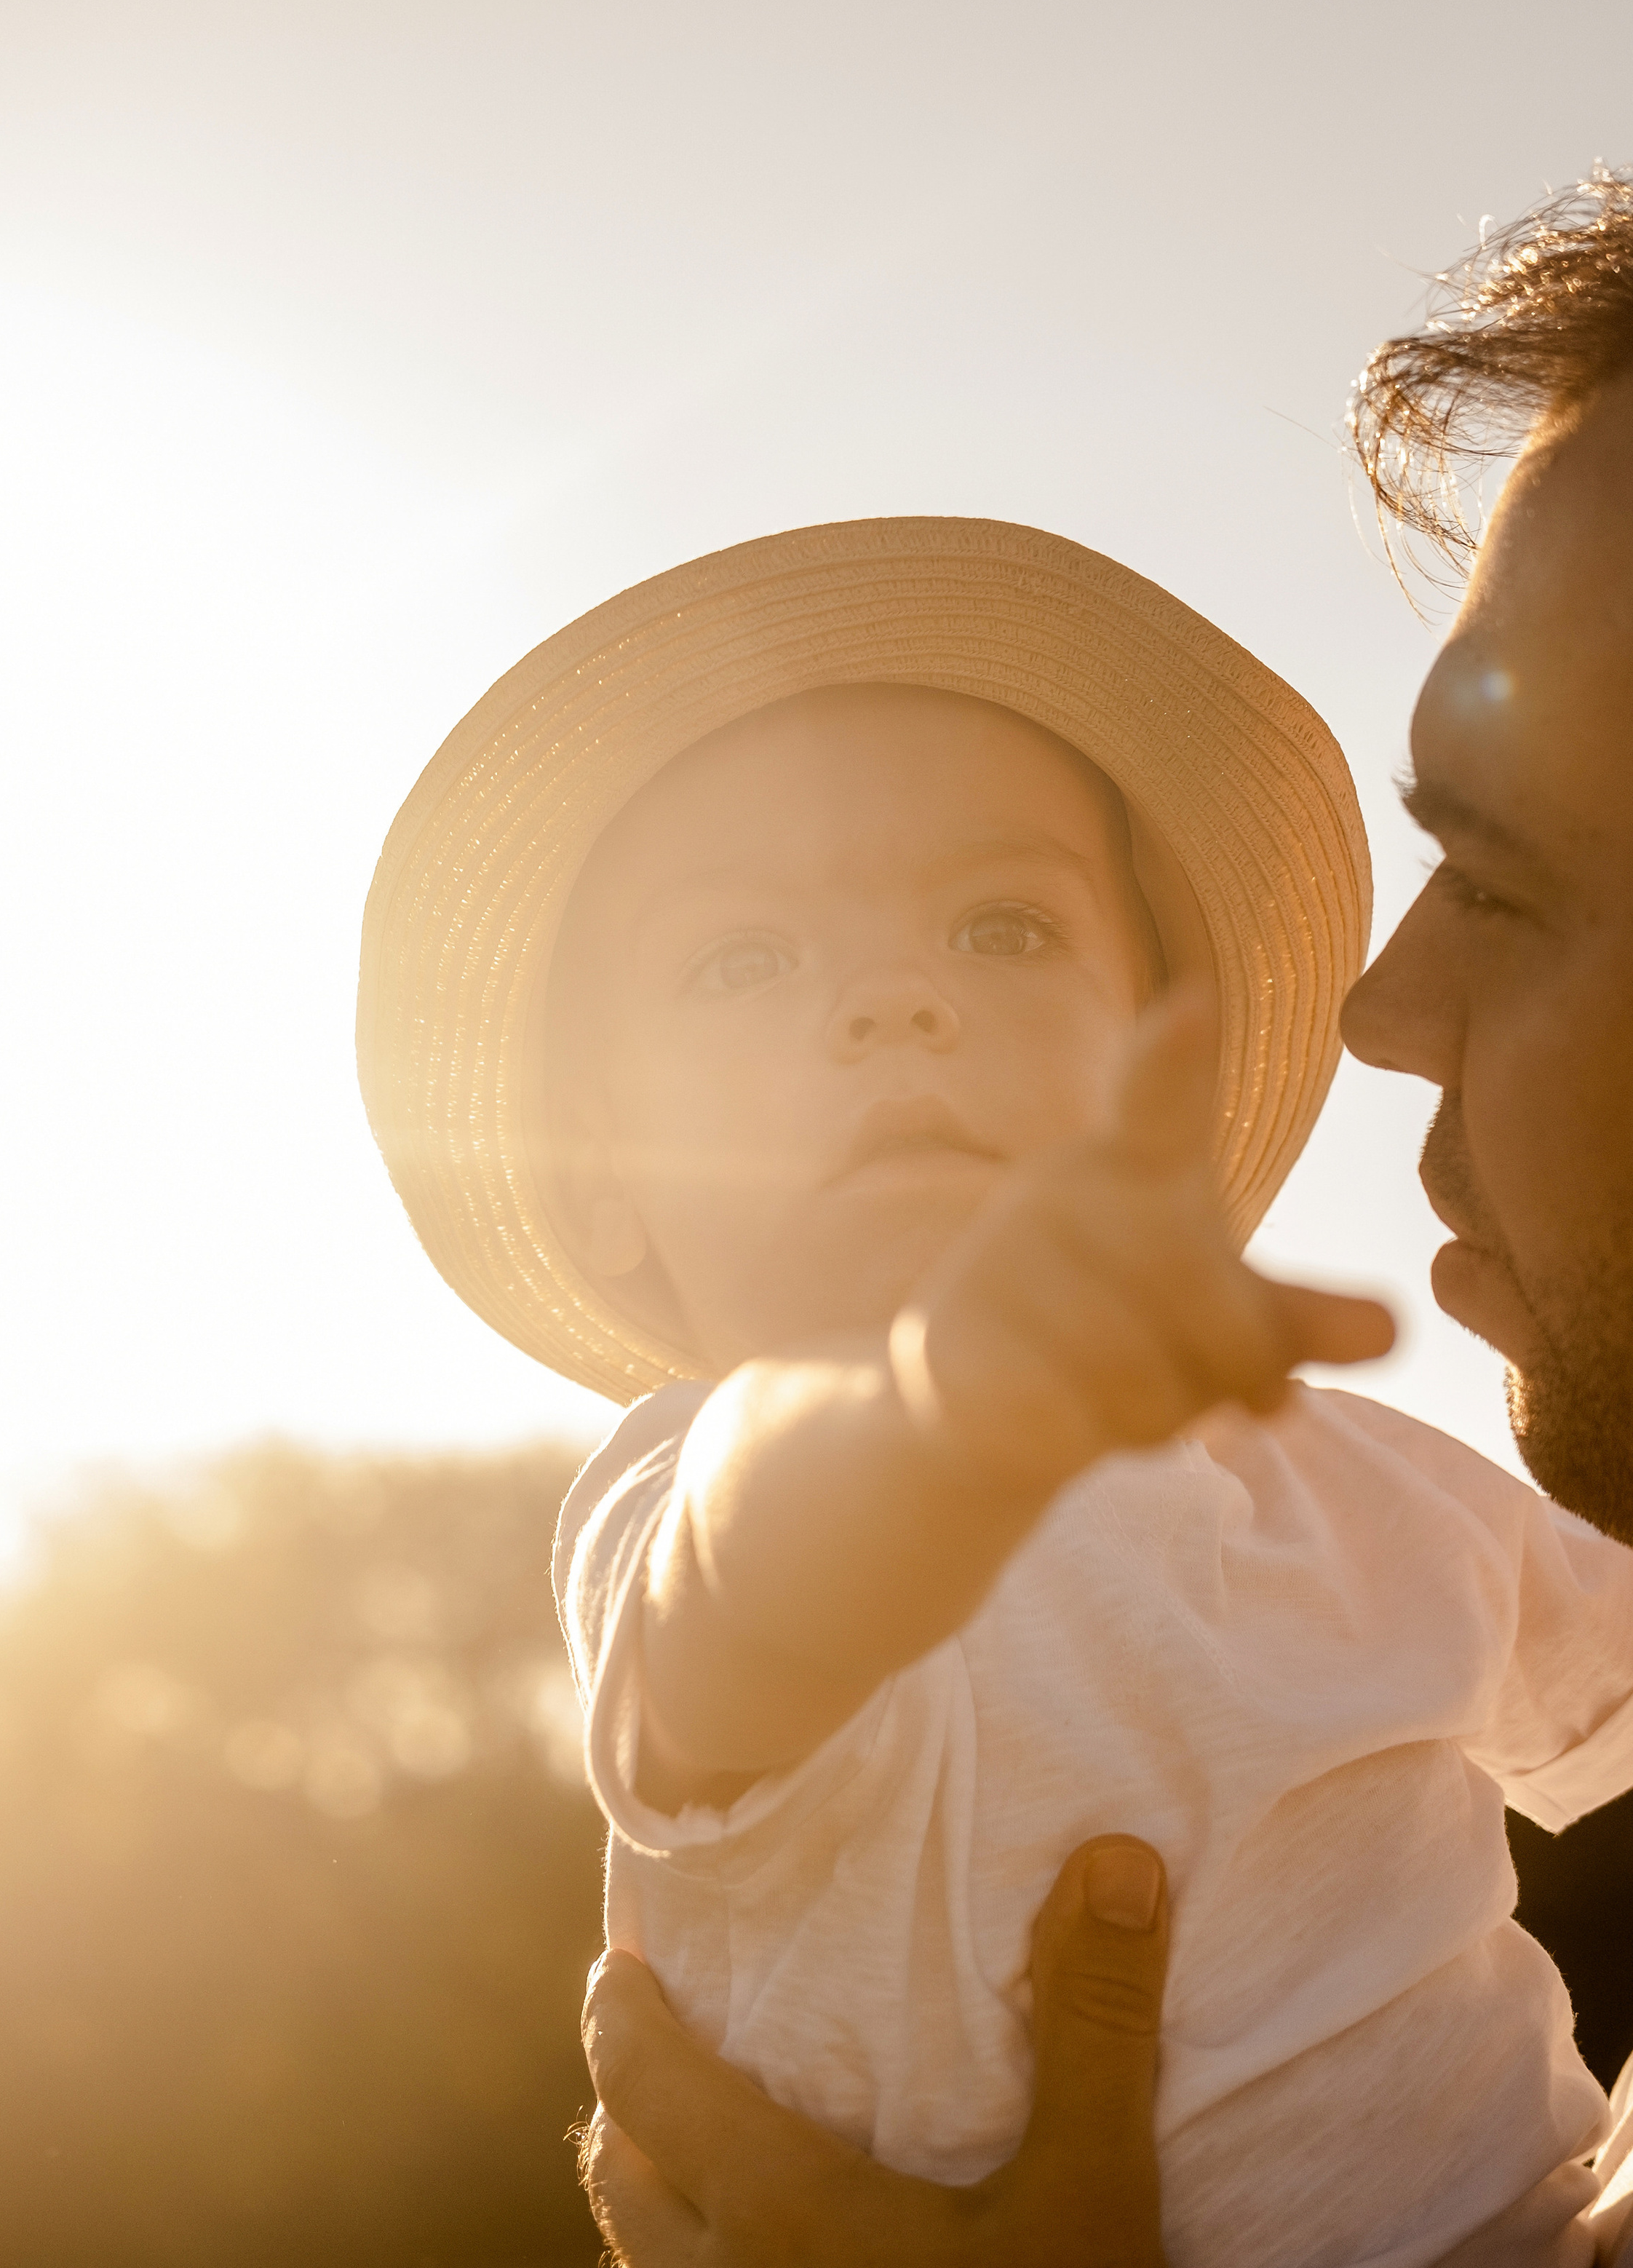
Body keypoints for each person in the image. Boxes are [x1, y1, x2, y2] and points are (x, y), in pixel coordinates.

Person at [354, 470, 1633, 2264]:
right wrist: (925, 1416)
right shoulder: (695, 1489)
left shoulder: (1356, 1484)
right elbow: (747, 1610)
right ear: (597, 1184)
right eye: (739, 962)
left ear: (1160, 1083)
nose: (892, 1003)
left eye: (1001, 930)